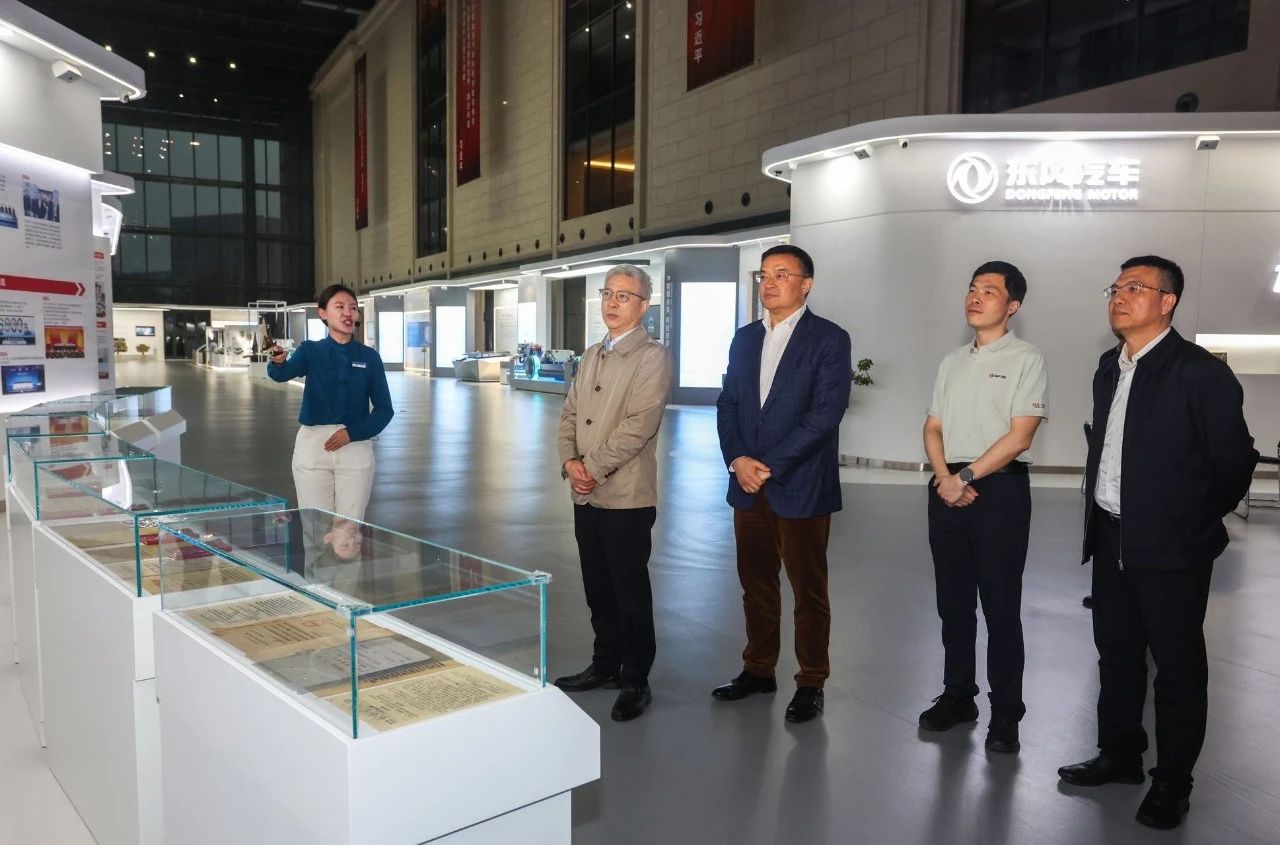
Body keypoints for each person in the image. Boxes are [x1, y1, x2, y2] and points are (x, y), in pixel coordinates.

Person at [1058, 256, 1257, 830]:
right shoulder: (1108, 366)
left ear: (1168, 302)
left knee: (1177, 668)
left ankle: (1173, 781)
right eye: (1115, 287)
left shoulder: (1200, 373)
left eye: (1136, 287)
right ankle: (1120, 754)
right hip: (1111, 535)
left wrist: (1189, 519)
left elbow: (1235, 461)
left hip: (1173, 547)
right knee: (1117, 655)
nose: (1119, 297)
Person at [712, 244, 851, 723]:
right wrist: (737, 460)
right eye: (764, 275)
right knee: (755, 584)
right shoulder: (745, 338)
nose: (769, 284)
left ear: (806, 284)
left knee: (808, 591)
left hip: (801, 486)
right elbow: (728, 404)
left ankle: (811, 680)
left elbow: (826, 414)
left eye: (782, 274)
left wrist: (767, 465)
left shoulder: (829, 339)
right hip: (747, 486)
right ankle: (758, 668)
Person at [917, 261, 1047, 754]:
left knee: (1000, 606)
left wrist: (965, 477)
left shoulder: (1027, 359)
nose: (975, 296)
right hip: (947, 487)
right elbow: (933, 426)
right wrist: (945, 478)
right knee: (953, 604)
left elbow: (1020, 435)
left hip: (1000, 492)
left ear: (1012, 305)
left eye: (989, 291)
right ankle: (958, 696)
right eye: (972, 288)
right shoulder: (951, 362)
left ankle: (1006, 713)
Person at [554, 264, 673, 722]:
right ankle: (605, 664)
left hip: (626, 496)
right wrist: (570, 462)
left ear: (643, 306)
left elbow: (639, 425)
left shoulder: (652, 357)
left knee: (628, 589)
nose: (612, 302)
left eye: (624, 296)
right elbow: (569, 414)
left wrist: (591, 467)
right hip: (585, 494)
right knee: (597, 586)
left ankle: (635, 678)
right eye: (607, 293)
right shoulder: (590, 355)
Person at [268, 283, 393, 522]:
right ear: (323, 313)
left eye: (353, 308)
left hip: (355, 446)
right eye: (340, 307)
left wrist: (352, 433)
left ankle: (348, 547)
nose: (348, 313)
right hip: (313, 446)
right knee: (314, 525)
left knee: (349, 528)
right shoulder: (310, 351)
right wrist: (278, 361)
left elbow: (384, 410)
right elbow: (282, 374)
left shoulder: (369, 357)